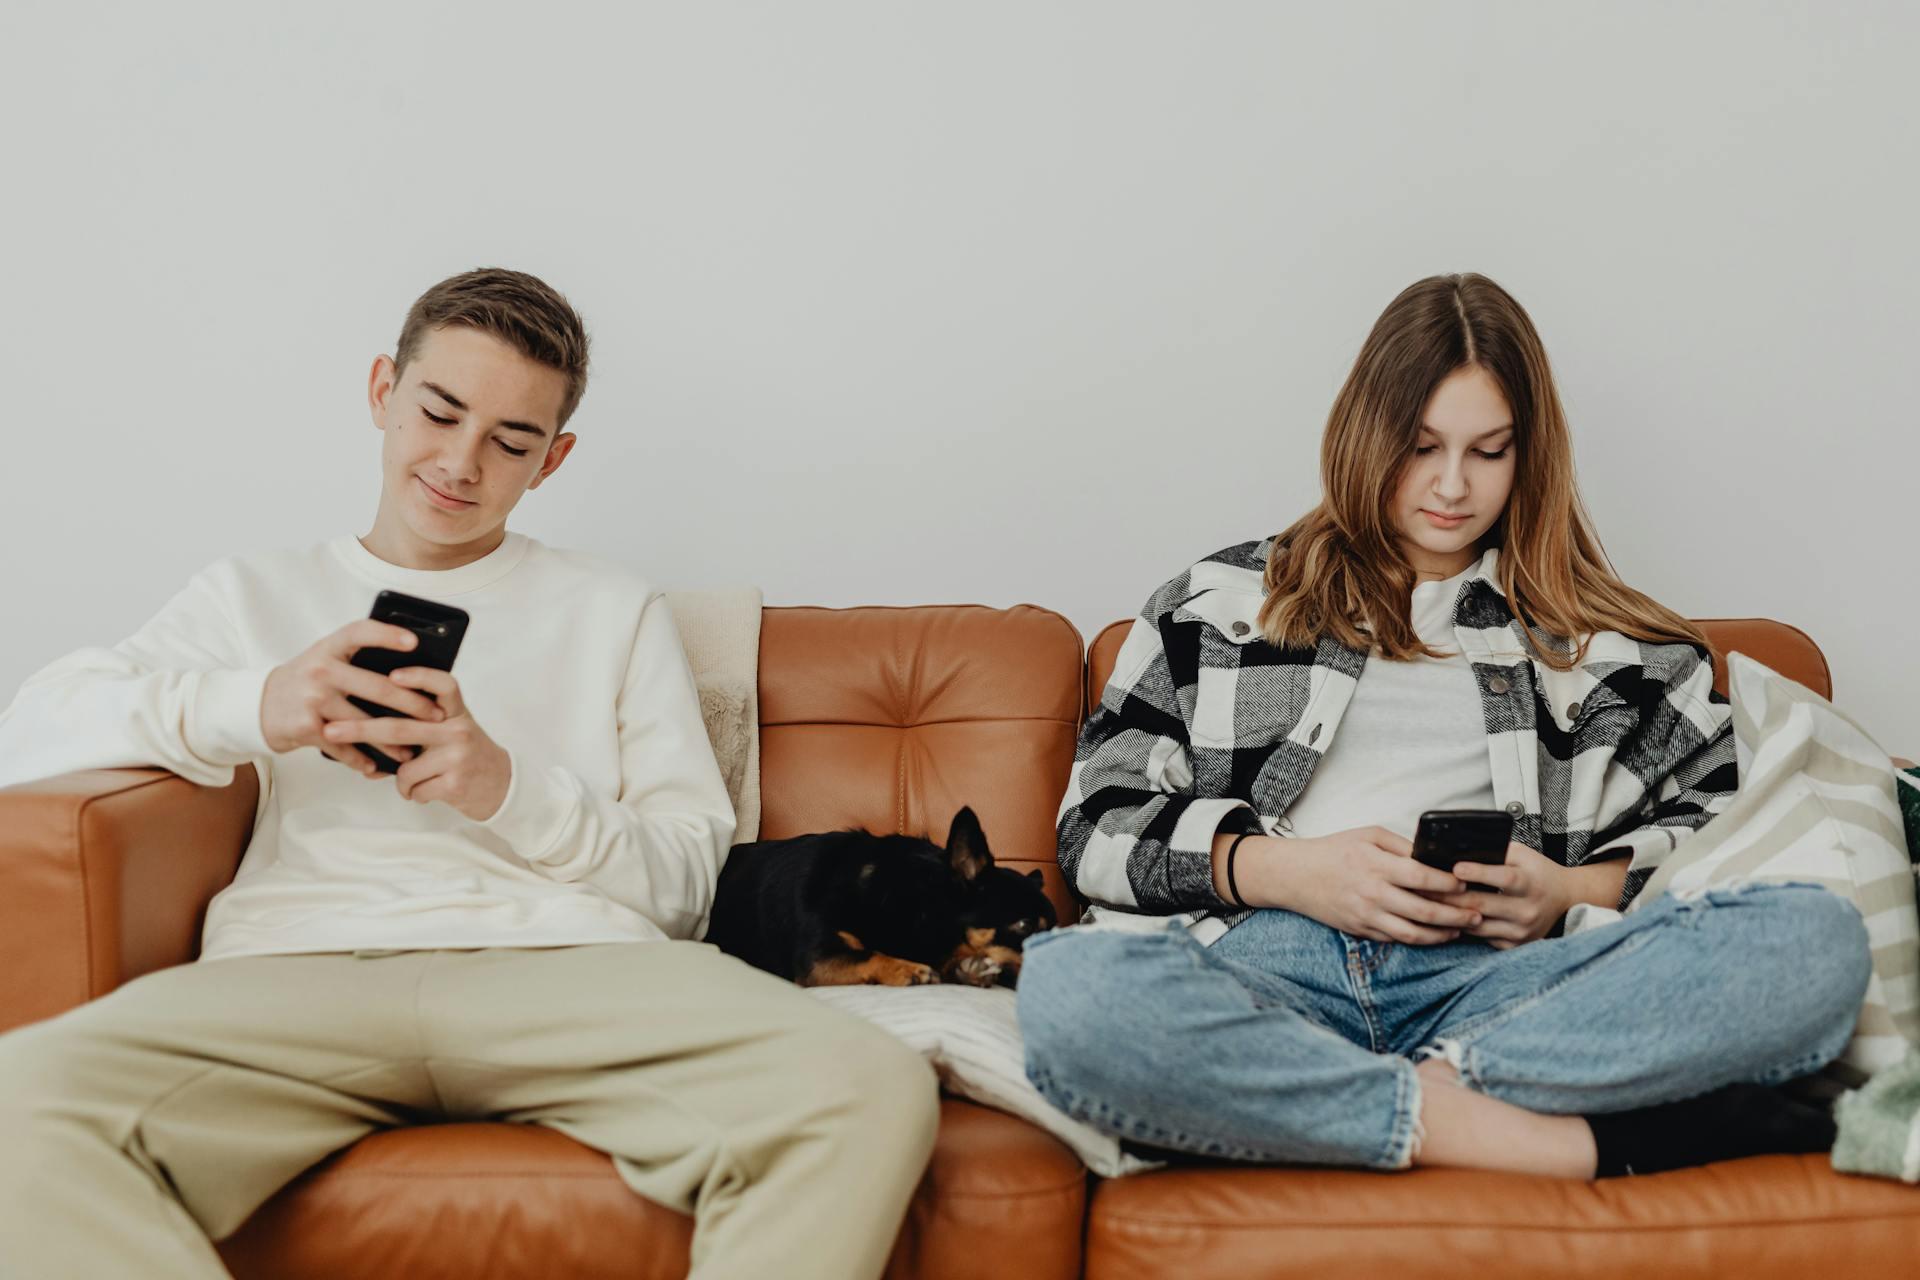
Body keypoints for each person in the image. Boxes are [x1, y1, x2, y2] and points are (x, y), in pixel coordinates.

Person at [0, 268, 938, 1278]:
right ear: (381, 393)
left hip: (572, 974)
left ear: (554, 458)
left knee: (867, 1083)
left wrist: (507, 788)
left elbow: (681, 884)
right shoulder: (251, 592)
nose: (459, 462)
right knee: (23, 1100)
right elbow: (29, 734)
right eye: (439, 412)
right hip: (298, 974)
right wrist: (259, 702)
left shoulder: (613, 608)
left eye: (511, 440)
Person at [1018, 273, 1871, 1180]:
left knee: (1815, 945)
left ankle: (1350, 1097)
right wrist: (1286, 870)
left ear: (1528, 455)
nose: (1453, 488)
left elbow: (1721, 844)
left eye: (1490, 451)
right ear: (1363, 434)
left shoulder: (1624, 652)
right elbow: (1094, 826)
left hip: (1498, 987)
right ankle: (1517, 1133)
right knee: (1072, 993)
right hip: (1264, 973)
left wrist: (1565, 889)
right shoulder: (1213, 604)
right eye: (1421, 447)